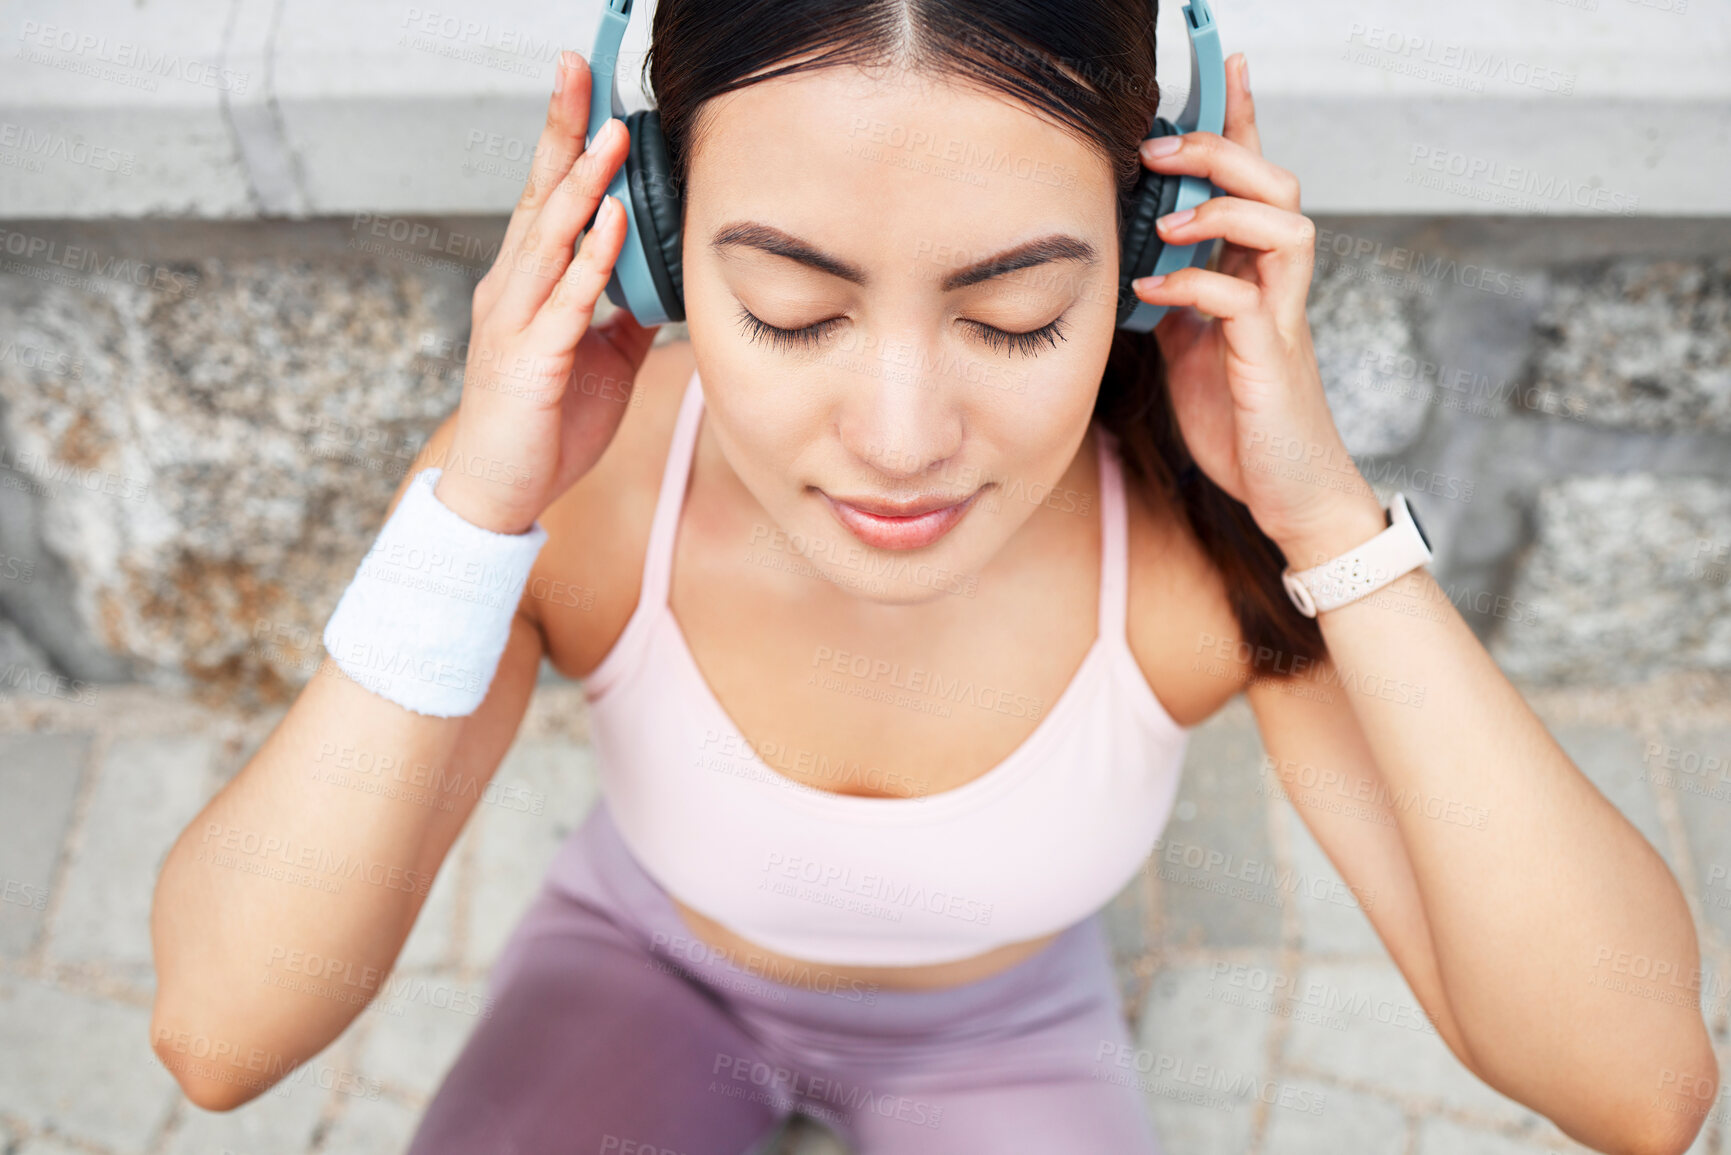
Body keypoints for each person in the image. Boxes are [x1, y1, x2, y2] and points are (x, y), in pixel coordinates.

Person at [148, 2, 1716, 1152]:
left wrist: (1325, 521)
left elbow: (1634, 1082)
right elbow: (221, 1034)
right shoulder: (587, 489)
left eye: (1019, 314)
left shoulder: (1193, 553)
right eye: (788, 307)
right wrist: (474, 506)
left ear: (1151, 258)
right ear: (653, 249)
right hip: (642, 964)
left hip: (1007, 1029)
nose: (901, 440)